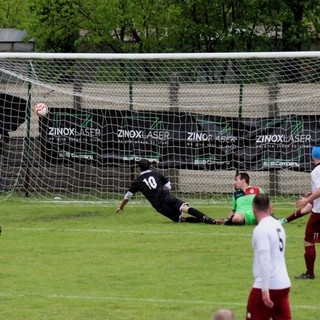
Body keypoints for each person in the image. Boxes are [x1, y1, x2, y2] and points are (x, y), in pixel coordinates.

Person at [115, 159, 216, 224]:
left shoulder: (137, 181)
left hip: (158, 205)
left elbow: (127, 197)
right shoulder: (156, 174)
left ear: (139, 168)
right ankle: (204, 217)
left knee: (180, 218)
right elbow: (168, 185)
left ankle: (202, 220)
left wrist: (121, 207)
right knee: (184, 207)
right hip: (166, 196)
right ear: (150, 166)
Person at [246, 194, 291, 320]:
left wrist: (265, 290)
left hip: (267, 285)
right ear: (270, 207)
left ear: (253, 209)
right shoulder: (278, 225)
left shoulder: (261, 229)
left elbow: (265, 261)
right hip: (283, 285)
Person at [294, 146, 320, 280]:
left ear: (313, 156)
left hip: (319, 212)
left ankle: (310, 273)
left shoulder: (316, 171)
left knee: (309, 241)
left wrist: (307, 200)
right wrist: (312, 192)